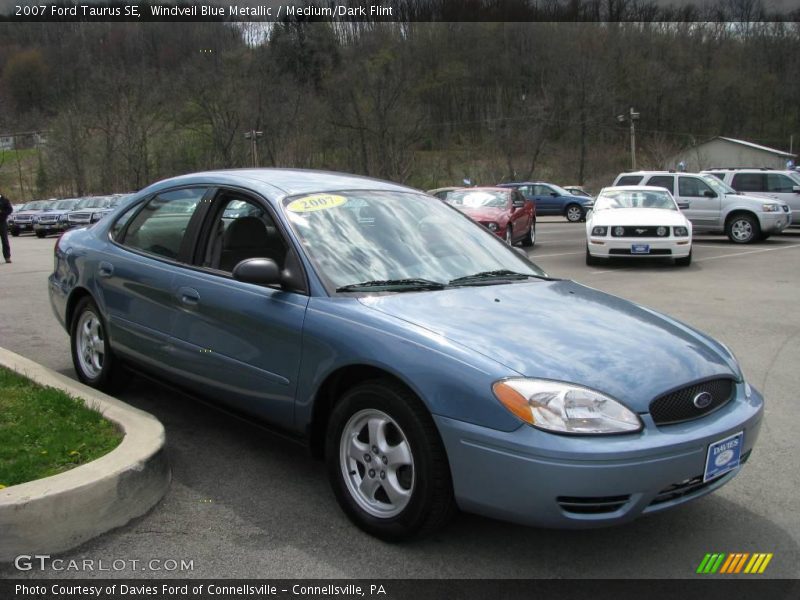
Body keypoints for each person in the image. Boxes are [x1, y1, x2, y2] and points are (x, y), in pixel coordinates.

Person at [0, 191, 12, 263]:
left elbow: (10, 210)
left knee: (5, 240)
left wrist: (2, 212)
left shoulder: (4, 200)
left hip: (2, 223)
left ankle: (7, 257)